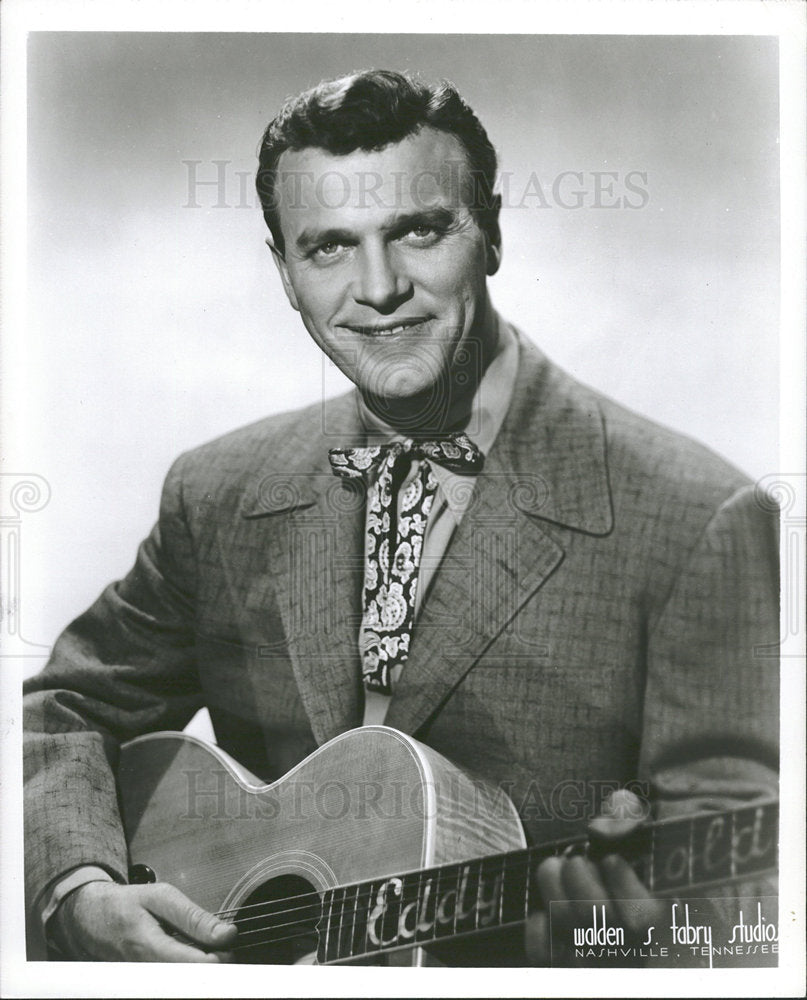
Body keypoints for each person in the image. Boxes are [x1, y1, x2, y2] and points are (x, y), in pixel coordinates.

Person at [23, 69, 779, 965]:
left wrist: (629, 941)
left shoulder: (697, 518)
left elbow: (745, 906)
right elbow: (60, 709)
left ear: (490, 230)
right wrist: (78, 888)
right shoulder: (219, 490)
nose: (377, 290)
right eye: (329, 248)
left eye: (418, 231)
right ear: (283, 271)